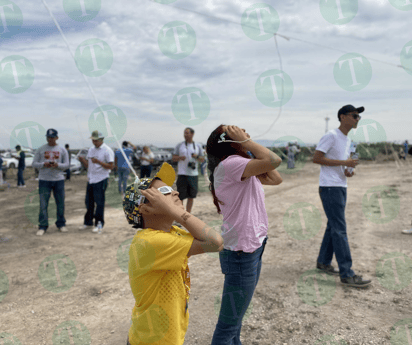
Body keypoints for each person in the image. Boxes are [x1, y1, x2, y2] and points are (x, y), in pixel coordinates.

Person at [123, 163, 223, 345]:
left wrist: (174, 211)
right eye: (165, 191)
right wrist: (176, 211)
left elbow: (209, 239)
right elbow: (215, 242)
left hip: (169, 335)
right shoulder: (149, 242)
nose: (176, 193)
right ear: (145, 210)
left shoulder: (172, 232)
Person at [206, 125, 283, 344]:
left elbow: (276, 178)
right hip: (242, 252)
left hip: (250, 247)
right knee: (228, 325)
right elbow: (275, 160)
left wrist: (246, 147)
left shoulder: (241, 166)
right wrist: (247, 143)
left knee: (236, 319)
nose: (244, 130)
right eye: (236, 130)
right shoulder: (231, 165)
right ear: (229, 142)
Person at [313, 104, 371, 288]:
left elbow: (343, 167)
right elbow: (317, 158)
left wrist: (348, 170)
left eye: (358, 117)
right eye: (355, 116)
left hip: (339, 186)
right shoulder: (331, 135)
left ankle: (323, 262)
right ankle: (347, 274)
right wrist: (343, 162)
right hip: (330, 188)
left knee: (333, 226)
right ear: (343, 117)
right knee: (340, 229)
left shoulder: (348, 141)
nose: (357, 119)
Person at [32, 129, 70, 236]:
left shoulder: (62, 150)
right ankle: (43, 226)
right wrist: (44, 164)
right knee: (43, 204)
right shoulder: (41, 149)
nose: (50, 139)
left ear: (57, 138)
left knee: (60, 203)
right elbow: (34, 163)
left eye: (52, 137)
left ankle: (61, 224)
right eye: (48, 137)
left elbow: (67, 165)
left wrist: (57, 165)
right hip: (44, 180)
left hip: (58, 180)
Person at [78, 130, 114, 232]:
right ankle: (88, 222)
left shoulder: (107, 150)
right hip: (91, 179)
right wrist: (83, 161)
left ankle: (99, 223)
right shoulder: (91, 150)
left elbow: (111, 166)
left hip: (101, 179)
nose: (94, 142)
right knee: (88, 202)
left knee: (99, 202)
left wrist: (99, 162)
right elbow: (89, 166)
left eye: (96, 140)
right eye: (93, 140)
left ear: (101, 140)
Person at [172, 128, 205, 213]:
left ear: (192, 134)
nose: (185, 135)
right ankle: (181, 214)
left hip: (193, 174)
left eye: (187, 133)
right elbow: (173, 158)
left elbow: (202, 159)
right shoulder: (180, 145)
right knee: (181, 196)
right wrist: (180, 158)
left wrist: (196, 157)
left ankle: (188, 214)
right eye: (184, 133)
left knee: (191, 196)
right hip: (182, 174)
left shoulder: (198, 146)